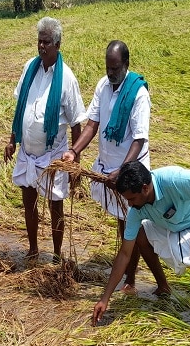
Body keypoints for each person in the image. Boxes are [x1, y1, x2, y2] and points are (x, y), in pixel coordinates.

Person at [62, 40, 150, 293]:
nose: (111, 74)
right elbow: (92, 125)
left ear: (126, 64)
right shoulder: (103, 85)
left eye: (115, 69)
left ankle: (132, 280)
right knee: (124, 224)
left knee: (131, 227)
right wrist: (74, 150)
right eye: (108, 68)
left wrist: (122, 172)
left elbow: (139, 138)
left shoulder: (138, 94)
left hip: (130, 170)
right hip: (109, 167)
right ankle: (132, 275)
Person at [92, 160, 190, 326]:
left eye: (132, 198)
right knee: (140, 234)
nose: (130, 204)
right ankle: (163, 286)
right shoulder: (136, 210)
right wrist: (105, 298)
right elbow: (125, 254)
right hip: (170, 221)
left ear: (145, 188)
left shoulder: (173, 179)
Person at [4, 16, 86, 261]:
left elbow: (76, 123)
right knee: (28, 202)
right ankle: (33, 249)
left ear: (58, 45)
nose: (41, 47)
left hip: (53, 156)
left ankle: (58, 255)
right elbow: (21, 107)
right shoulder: (30, 67)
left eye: (46, 42)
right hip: (28, 151)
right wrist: (12, 139)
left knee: (55, 206)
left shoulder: (67, 78)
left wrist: (75, 162)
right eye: (39, 41)